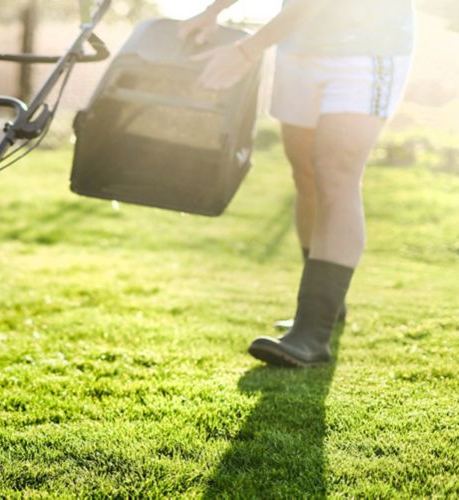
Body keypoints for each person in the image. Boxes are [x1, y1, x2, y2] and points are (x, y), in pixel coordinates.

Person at [178, 0, 415, 367]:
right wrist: (213, 10)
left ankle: (312, 333)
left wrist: (245, 50)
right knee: (305, 172)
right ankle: (328, 304)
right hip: (300, 49)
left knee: (335, 170)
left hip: (367, 48)